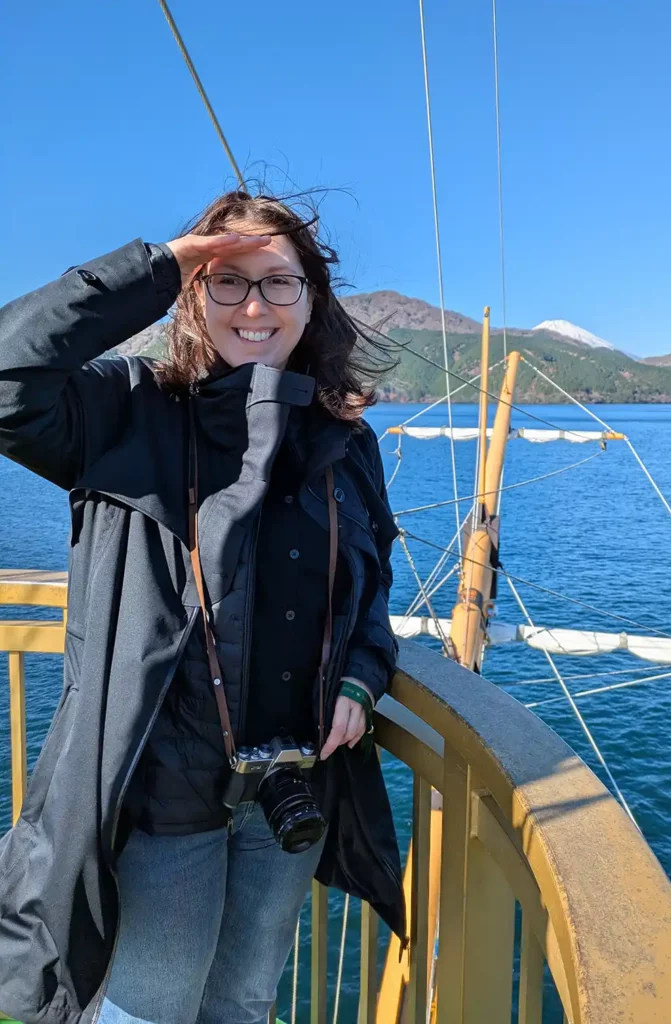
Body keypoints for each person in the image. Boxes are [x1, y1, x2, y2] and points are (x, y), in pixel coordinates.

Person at [0, 190, 406, 1024]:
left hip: (293, 786)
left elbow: (371, 594)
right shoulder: (126, 409)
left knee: (246, 1003)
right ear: (192, 293)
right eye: (227, 281)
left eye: (279, 283)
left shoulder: (342, 437)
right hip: (163, 799)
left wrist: (361, 684)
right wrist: (161, 263)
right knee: (149, 1012)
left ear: (312, 299)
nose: (254, 306)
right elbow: (8, 379)